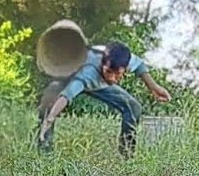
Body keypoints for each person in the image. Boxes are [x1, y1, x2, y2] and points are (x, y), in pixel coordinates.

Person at [36, 41, 171, 157]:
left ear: (124, 68)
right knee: (49, 106)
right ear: (103, 64)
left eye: (117, 74)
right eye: (108, 72)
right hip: (68, 76)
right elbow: (67, 94)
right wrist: (51, 118)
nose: (112, 78)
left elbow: (139, 66)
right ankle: (45, 152)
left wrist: (154, 87)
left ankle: (127, 154)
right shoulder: (88, 73)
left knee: (133, 107)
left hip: (99, 82)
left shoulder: (122, 58)